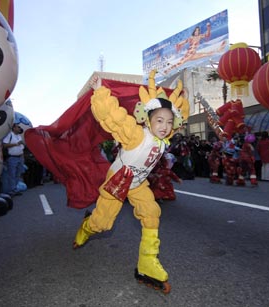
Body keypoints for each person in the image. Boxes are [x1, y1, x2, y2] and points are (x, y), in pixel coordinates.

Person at [72, 74, 185, 294]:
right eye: (159, 120)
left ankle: (147, 264)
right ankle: (87, 227)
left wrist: (184, 97)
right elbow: (113, 117)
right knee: (102, 225)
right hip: (119, 181)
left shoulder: (164, 139)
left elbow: (181, 116)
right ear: (148, 119)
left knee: (151, 212)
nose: (164, 126)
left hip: (138, 182)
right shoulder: (136, 135)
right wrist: (101, 91)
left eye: (169, 121)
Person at [2, 123, 25, 196]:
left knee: (18, 174)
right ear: (14, 128)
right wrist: (16, 144)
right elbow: (5, 145)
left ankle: (15, 188)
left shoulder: (18, 136)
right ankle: (12, 190)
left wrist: (22, 157)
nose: (19, 128)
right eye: (18, 127)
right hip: (12, 157)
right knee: (12, 174)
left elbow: (21, 147)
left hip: (19, 157)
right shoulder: (10, 135)